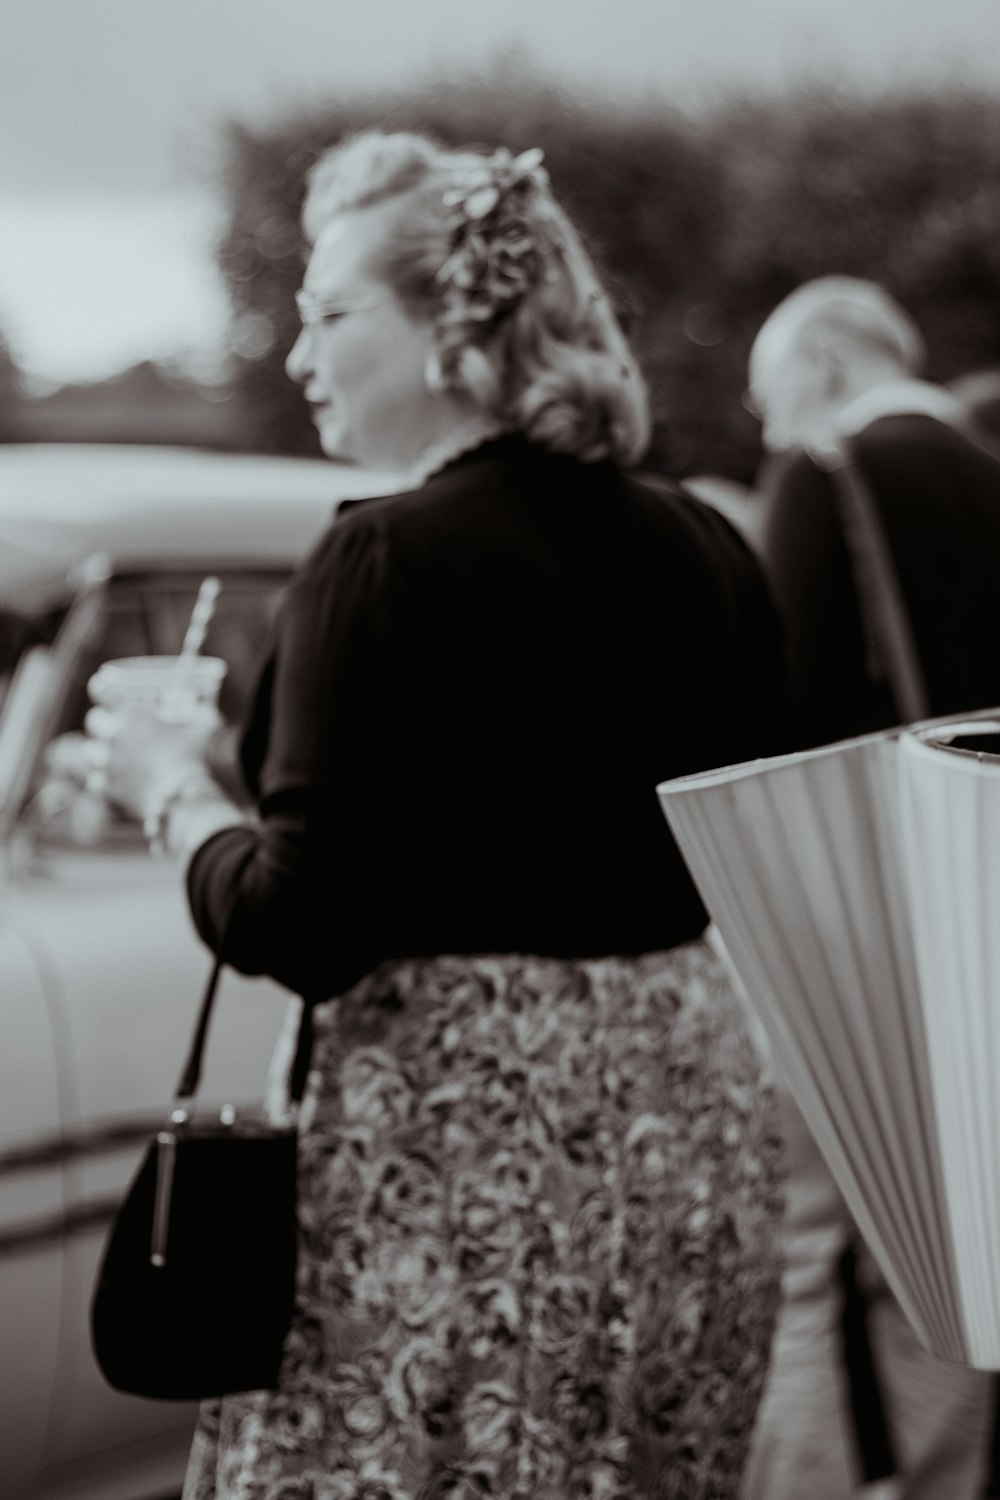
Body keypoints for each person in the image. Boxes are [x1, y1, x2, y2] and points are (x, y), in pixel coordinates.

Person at [92, 131, 787, 1500]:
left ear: (453, 339)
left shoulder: (381, 557)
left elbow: (301, 920)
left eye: (331, 314)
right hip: (683, 1136)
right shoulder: (707, 542)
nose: (300, 356)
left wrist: (167, 792)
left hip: (468, 1155)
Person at [742, 275, 1000, 1500]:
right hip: (988, 923)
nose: (764, 432)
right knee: (972, 1257)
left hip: (875, 937)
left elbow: (782, 735)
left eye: (767, 399)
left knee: (820, 1259)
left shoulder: (826, 475)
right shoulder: (986, 468)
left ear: (829, 365)